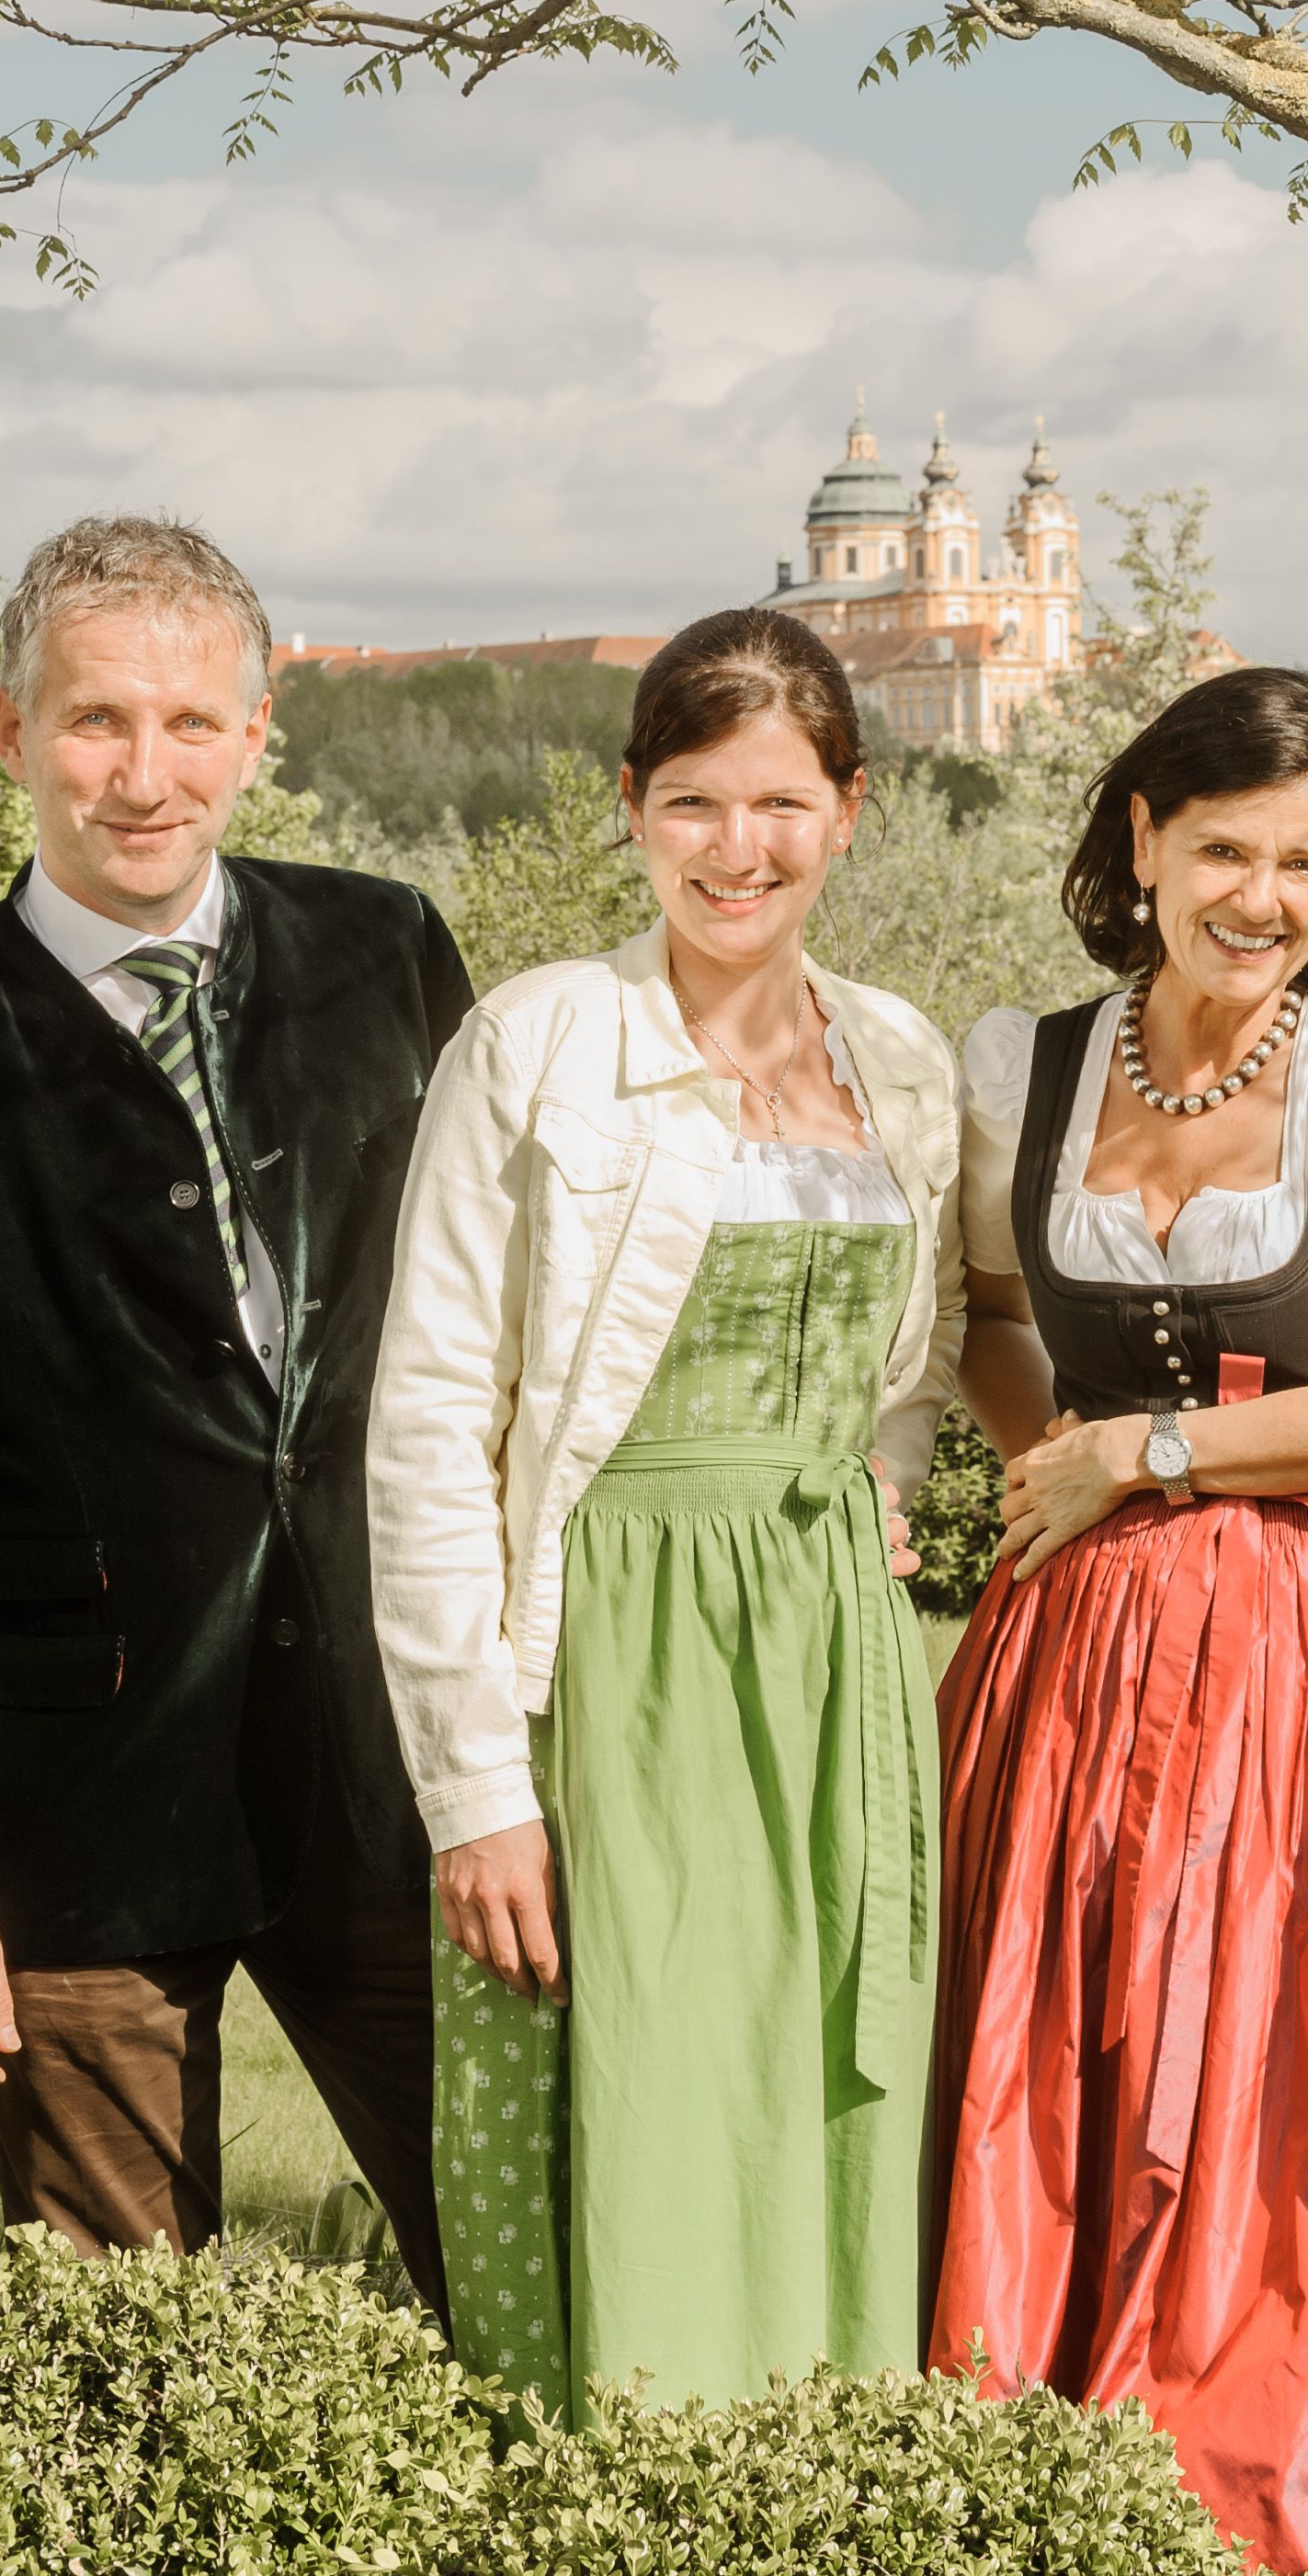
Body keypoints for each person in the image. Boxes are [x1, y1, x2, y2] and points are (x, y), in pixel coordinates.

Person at [0, 515, 471, 2311]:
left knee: (531, 2273)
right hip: (71, 1803)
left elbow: (500, 1354)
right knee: (119, 2345)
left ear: (257, 732)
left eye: (186, 725)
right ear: (10, 733)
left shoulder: (388, 957)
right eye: (94, 723)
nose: (141, 776)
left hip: (400, 1762)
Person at [926, 666, 1308, 2576]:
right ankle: (1037, 2468)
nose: (1261, 896)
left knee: (1292, 2078)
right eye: (1224, 849)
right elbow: (993, 1313)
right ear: (1140, 845)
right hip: (1077, 1659)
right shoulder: (1030, 1061)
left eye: (1304, 861)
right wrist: (1057, 1467)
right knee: (1056, 2056)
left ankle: (1272, 2503)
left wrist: (1150, 1452)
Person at [367, 607, 967, 2423]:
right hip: (611, 1649)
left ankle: (824, 2495)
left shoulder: (904, 1062)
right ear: (630, 808)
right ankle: (629, 2498)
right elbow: (427, 1422)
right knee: (645, 2095)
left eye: (780, 803)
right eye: (693, 802)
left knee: (813, 2100)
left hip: (825, 1658)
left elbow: (907, 1374)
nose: (738, 848)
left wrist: (878, 1489)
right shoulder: (540, 1041)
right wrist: (475, 1787)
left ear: (850, 812)